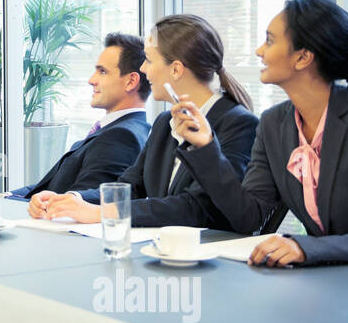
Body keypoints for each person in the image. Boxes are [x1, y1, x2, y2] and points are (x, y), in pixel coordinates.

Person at [172, 0, 348, 267]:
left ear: (303, 57)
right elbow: (250, 218)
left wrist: (307, 247)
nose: (259, 51)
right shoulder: (273, 124)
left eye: (269, 40)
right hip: (338, 281)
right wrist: (207, 147)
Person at [36, 14, 258, 229]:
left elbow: (196, 208)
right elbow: (130, 187)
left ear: (176, 69)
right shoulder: (165, 122)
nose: (143, 69)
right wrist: (71, 200)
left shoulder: (238, 124)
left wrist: (102, 213)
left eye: (149, 60)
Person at [0, 33, 151, 202]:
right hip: (15, 209)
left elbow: (74, 204)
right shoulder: (116, 130)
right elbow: (46, 187)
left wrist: (8, 206)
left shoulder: (122, 136)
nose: (91, 79)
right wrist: (4, 197)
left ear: (131, 80)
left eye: (102, 71)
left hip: (25, 224)